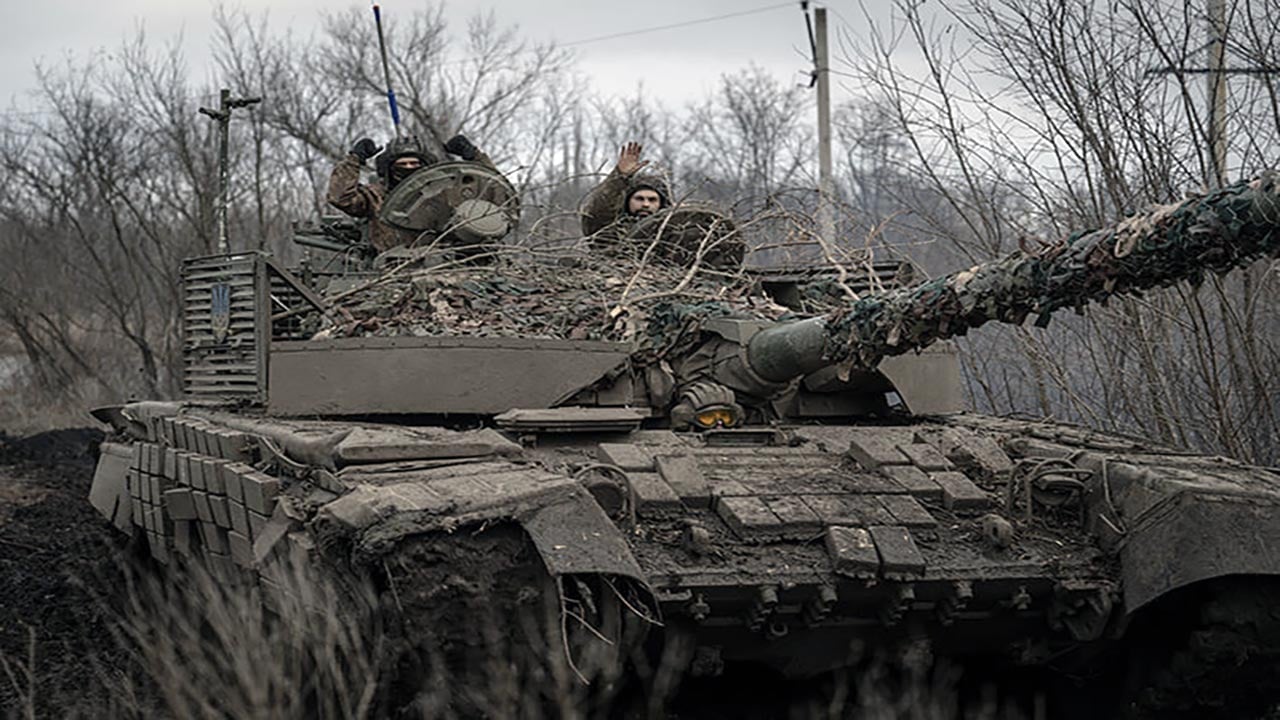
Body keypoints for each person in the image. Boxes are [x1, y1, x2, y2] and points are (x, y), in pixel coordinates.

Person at [327, 133, 494, 252]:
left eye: (414, 163)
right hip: (392, 269)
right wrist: (354, 159)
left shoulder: (445, 192)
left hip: (441, 266)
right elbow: (340, 198)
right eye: (402, 164)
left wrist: (474, 157)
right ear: (389, 168)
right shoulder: (376, 196)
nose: (408, 168)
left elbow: (493, 195)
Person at [580, 142, 671, 246]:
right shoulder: (613, 232)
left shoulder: (670, 232)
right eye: (639, 199)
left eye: (652, 200)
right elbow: (596, 214)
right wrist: (619, 177)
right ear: (628, 201)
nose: (646, 204)